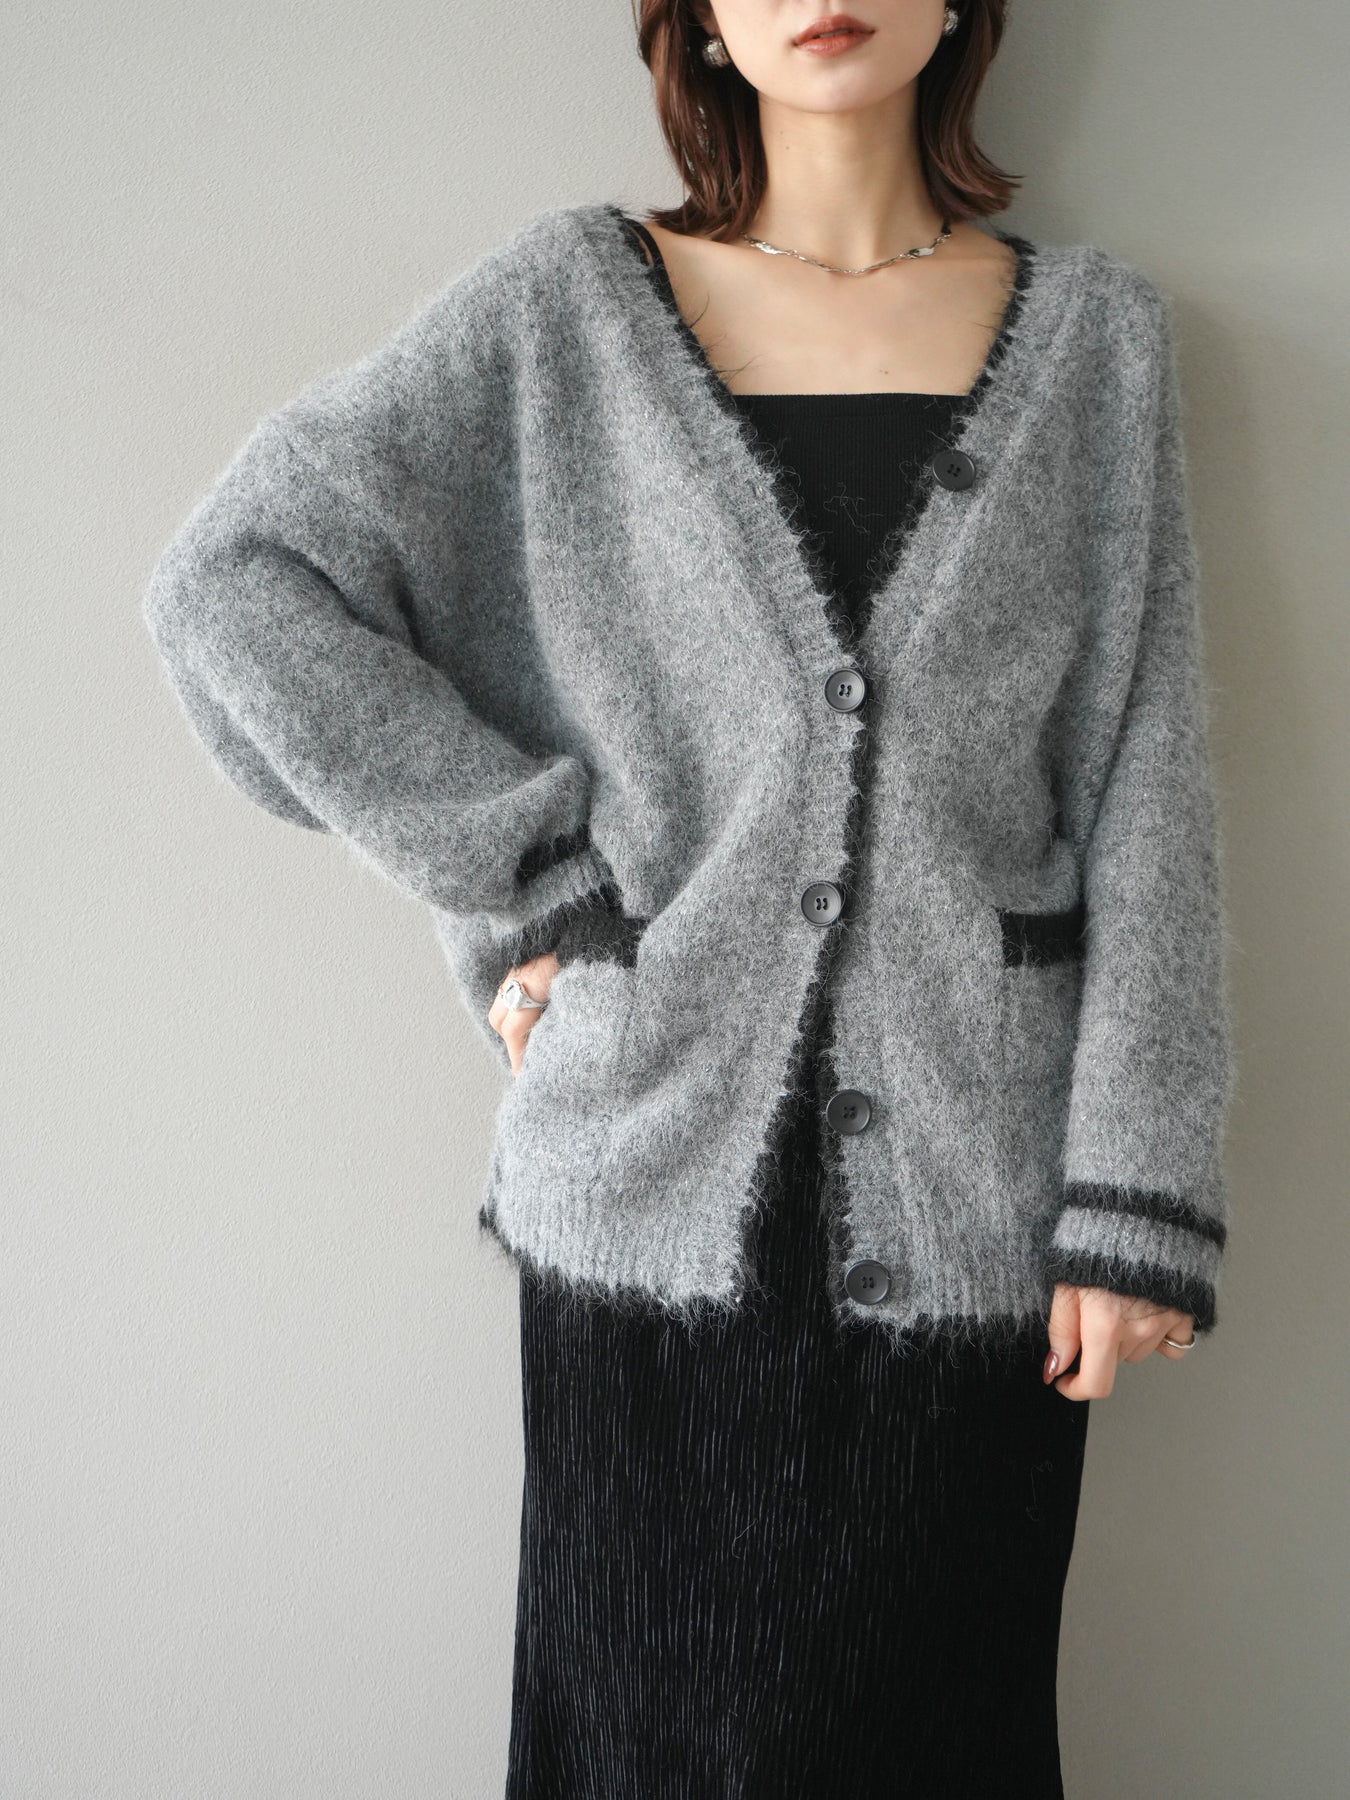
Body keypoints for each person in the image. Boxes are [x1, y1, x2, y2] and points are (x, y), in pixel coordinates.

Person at [142, 2, 1235, 1793]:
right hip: (640, 1187)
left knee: (938, 1739)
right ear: (698, 19)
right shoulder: (561, 309)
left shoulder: (1098, 343)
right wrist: (523, 885)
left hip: (979, 1196)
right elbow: (239, 584)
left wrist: (1139, 1186)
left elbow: (1144, 775)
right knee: (643, 1739)